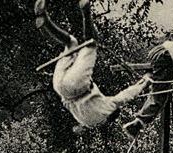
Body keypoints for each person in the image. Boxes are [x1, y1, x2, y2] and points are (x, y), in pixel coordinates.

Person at [35, 0, 150, 133]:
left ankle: (86, 12)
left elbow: (126, 96)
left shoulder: (108, 108)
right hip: (59, 88)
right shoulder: (84, 120)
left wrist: (145, 82)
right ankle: (45, 21)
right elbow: (79, 125)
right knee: (71, 43)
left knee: (90, 44)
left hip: (76, 86)